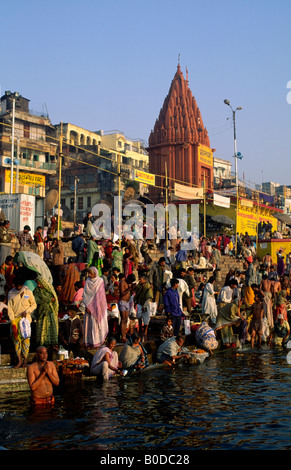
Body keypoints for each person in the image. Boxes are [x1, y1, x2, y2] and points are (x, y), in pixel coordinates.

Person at [7, 277, 37, 368]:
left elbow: (34, 305)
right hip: (15, 321)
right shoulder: (11, 293)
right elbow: (10, 309)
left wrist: (27, 311)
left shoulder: (28, 292)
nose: (19, 287)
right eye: (17, 286)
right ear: (14, 285)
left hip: (26, 321)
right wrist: (12, 320)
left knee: (26, 341)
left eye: (20, 285)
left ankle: (25, 360)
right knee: (16, 341)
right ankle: (19, 360)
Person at [83, 267, 108, 348]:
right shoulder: (88, 281)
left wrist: (97, 306)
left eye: (91, 273)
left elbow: (101, 295)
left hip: (98, 306)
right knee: (90, 325)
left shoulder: (100, 281)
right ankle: (90, 343)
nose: (89, 275)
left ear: (95, 273)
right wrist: (87, 305)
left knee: (96, 325)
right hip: (89, 307)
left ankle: (97, 342)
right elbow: (86, 294)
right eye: (89, 273)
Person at [33, 276, 59, 349]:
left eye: (40, 283)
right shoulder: (36, 291)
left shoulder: (49, 289)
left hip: (50, 311)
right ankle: (42, 343)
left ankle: (52, 344)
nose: (39, 285)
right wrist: (48, 299)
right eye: (38, 283)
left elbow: (54, 298)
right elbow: (36, 300)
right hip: (41, 312)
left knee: (50, 326)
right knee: (42, 327)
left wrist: (48, 300)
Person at [134, 274, 153, 340]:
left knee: (146, 318)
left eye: (141, 279)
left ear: (144, 280)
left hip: (146, 303)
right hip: (139, 302)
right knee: (139, 316)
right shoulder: (138, 286)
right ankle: (140, 329)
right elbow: (136, 294)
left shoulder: (148, 286)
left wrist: (145, 305)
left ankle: (145, 330)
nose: (140, 280)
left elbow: (149, 297)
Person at [118, 273, 136, 342]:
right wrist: (129, 288)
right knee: (123, 319)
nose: (130, 282)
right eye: (130, 281)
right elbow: (122, 293)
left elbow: (130, 294)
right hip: (122, 302)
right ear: (128, 278)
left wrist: (132, 289)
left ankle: (124, 335)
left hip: (127, 303)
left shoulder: (129, 284)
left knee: (126, 319)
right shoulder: (122, 282)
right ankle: (122, 337)